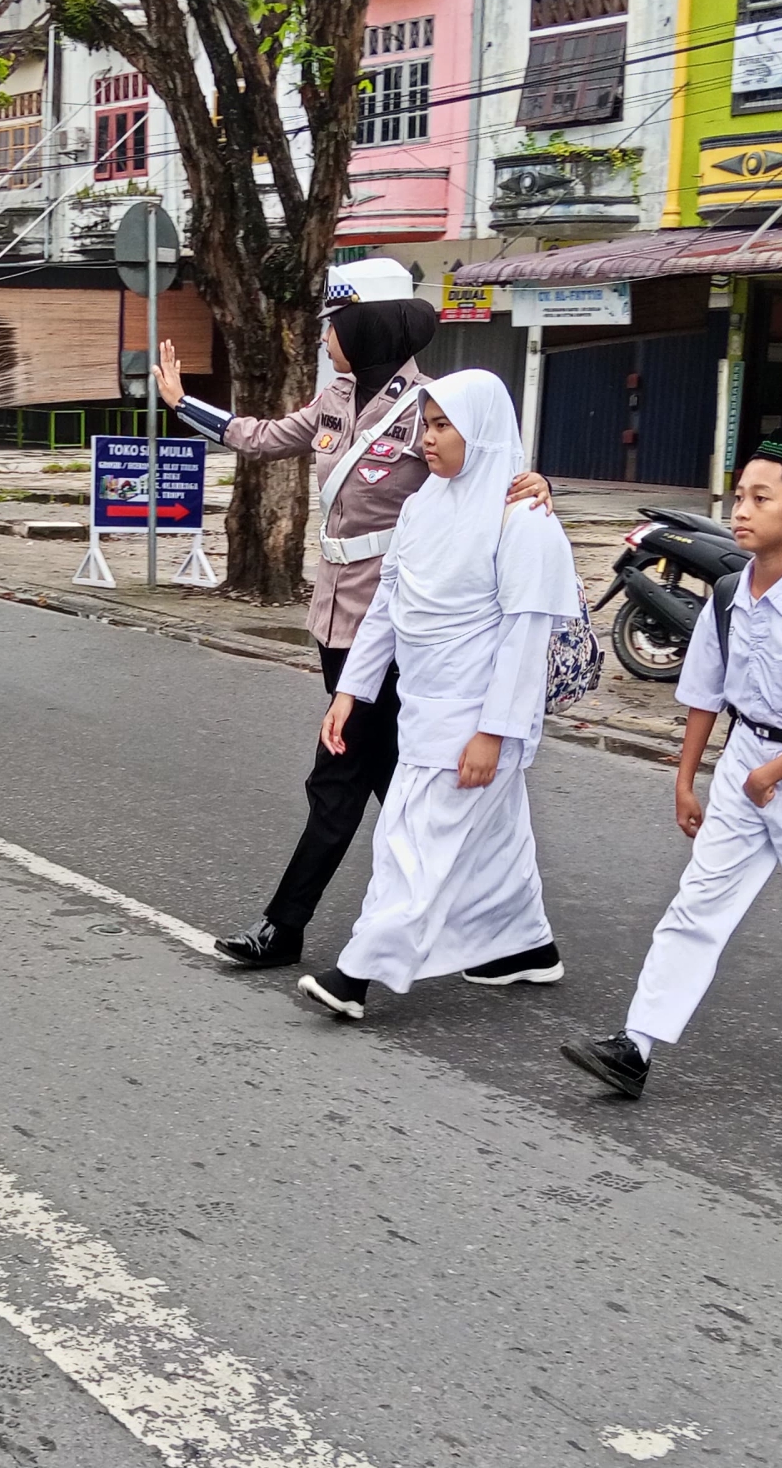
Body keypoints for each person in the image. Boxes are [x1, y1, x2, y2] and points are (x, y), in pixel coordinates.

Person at [159, 294, 550, 972]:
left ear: (362, 334)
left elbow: (491, 474)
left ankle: (290, 928)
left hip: (403, 623)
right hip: (337, 613)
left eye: (332, 329)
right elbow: (263, 437)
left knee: (343, 773)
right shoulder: (335, 399)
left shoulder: (436, 407)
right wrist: (181, 403)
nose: (325, 341)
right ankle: (511, 935)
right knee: (402, 779)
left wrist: (539, 486)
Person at [559, 434, 782, 1099]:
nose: (741, 509)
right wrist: (686, 779)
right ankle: (636, 1045)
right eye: (739, 496)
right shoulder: (729, 595)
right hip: (747, 761)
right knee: (697, 903)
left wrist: (776, 773)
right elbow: (704, 695)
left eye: (760, 498)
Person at [291, 370, 578, 1021]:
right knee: (497, 837)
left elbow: (525, 638)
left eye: (443, 425)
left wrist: (494, 731)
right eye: (426, 423)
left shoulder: (522, 520)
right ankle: (524, 946)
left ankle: (358, 973)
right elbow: (388, 607)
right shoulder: (423, 506)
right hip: (423, 706)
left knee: (410, 839)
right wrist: (352, 693)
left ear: (480, 432)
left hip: (474, 719)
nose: (428, 438)